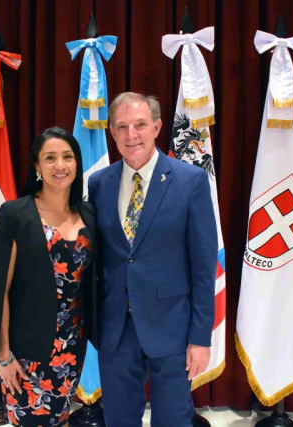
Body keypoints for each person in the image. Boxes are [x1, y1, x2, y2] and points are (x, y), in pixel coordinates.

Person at [88, 92, 217, 427]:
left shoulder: (190, 181)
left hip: (172, 328)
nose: (131, 135)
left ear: (157, 127)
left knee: (173, 420)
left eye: (140, 125)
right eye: (122, 127)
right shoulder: (99, 183)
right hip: (116, 330)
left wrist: (200, 338)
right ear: (111, 132)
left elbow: (204, 268)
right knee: (118, 420)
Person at [0, 127, 98, 427]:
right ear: (37, 166)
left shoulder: (89, 214)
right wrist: (4, 356)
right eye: (50, 158)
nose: (60, 165)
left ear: (77, 163)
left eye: (67, 157)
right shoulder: (15, 214)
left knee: (60, 418)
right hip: (26, 350)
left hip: (73, 344)